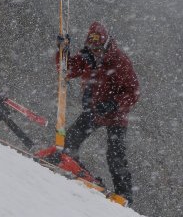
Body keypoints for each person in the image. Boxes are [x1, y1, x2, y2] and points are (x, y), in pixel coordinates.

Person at [59, 21, 139, 204]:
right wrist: (62, 51)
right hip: (94, 111)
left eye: (98, 49)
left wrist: (114, 104)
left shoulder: (119, 60)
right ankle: (78, 170)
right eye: (92, 48)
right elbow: (65, 71)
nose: (96, 53)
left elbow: (133, 92)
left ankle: (125, 196)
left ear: (106, 45)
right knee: (70, 140)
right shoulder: (87, 57)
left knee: (115, 155)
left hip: (116, 116)